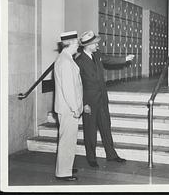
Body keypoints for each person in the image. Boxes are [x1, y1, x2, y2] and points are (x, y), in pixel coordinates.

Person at [75, 30, 135, 167]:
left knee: (106, 127)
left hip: (102, 98)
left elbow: (109, 59)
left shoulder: (97, 55)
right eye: (95, 43)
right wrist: (83, 103)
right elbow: (77, 85)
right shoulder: (79, 61)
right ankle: (91, 158)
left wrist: (125, 59)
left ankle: (111, 155)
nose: (97, 45)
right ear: (88, 45)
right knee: (90, 130)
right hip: (89, 102)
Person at [54, 30, 83, 181]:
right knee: (67, 140)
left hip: (66, 107)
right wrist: (75, 108)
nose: (78, 43)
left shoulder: (66, 59)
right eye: (77, 41)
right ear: (70, 43)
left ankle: (66, 167)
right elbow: (69, 89)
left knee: (69, 139)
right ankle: (63, 172)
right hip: (68, 108)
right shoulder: (65, 62)